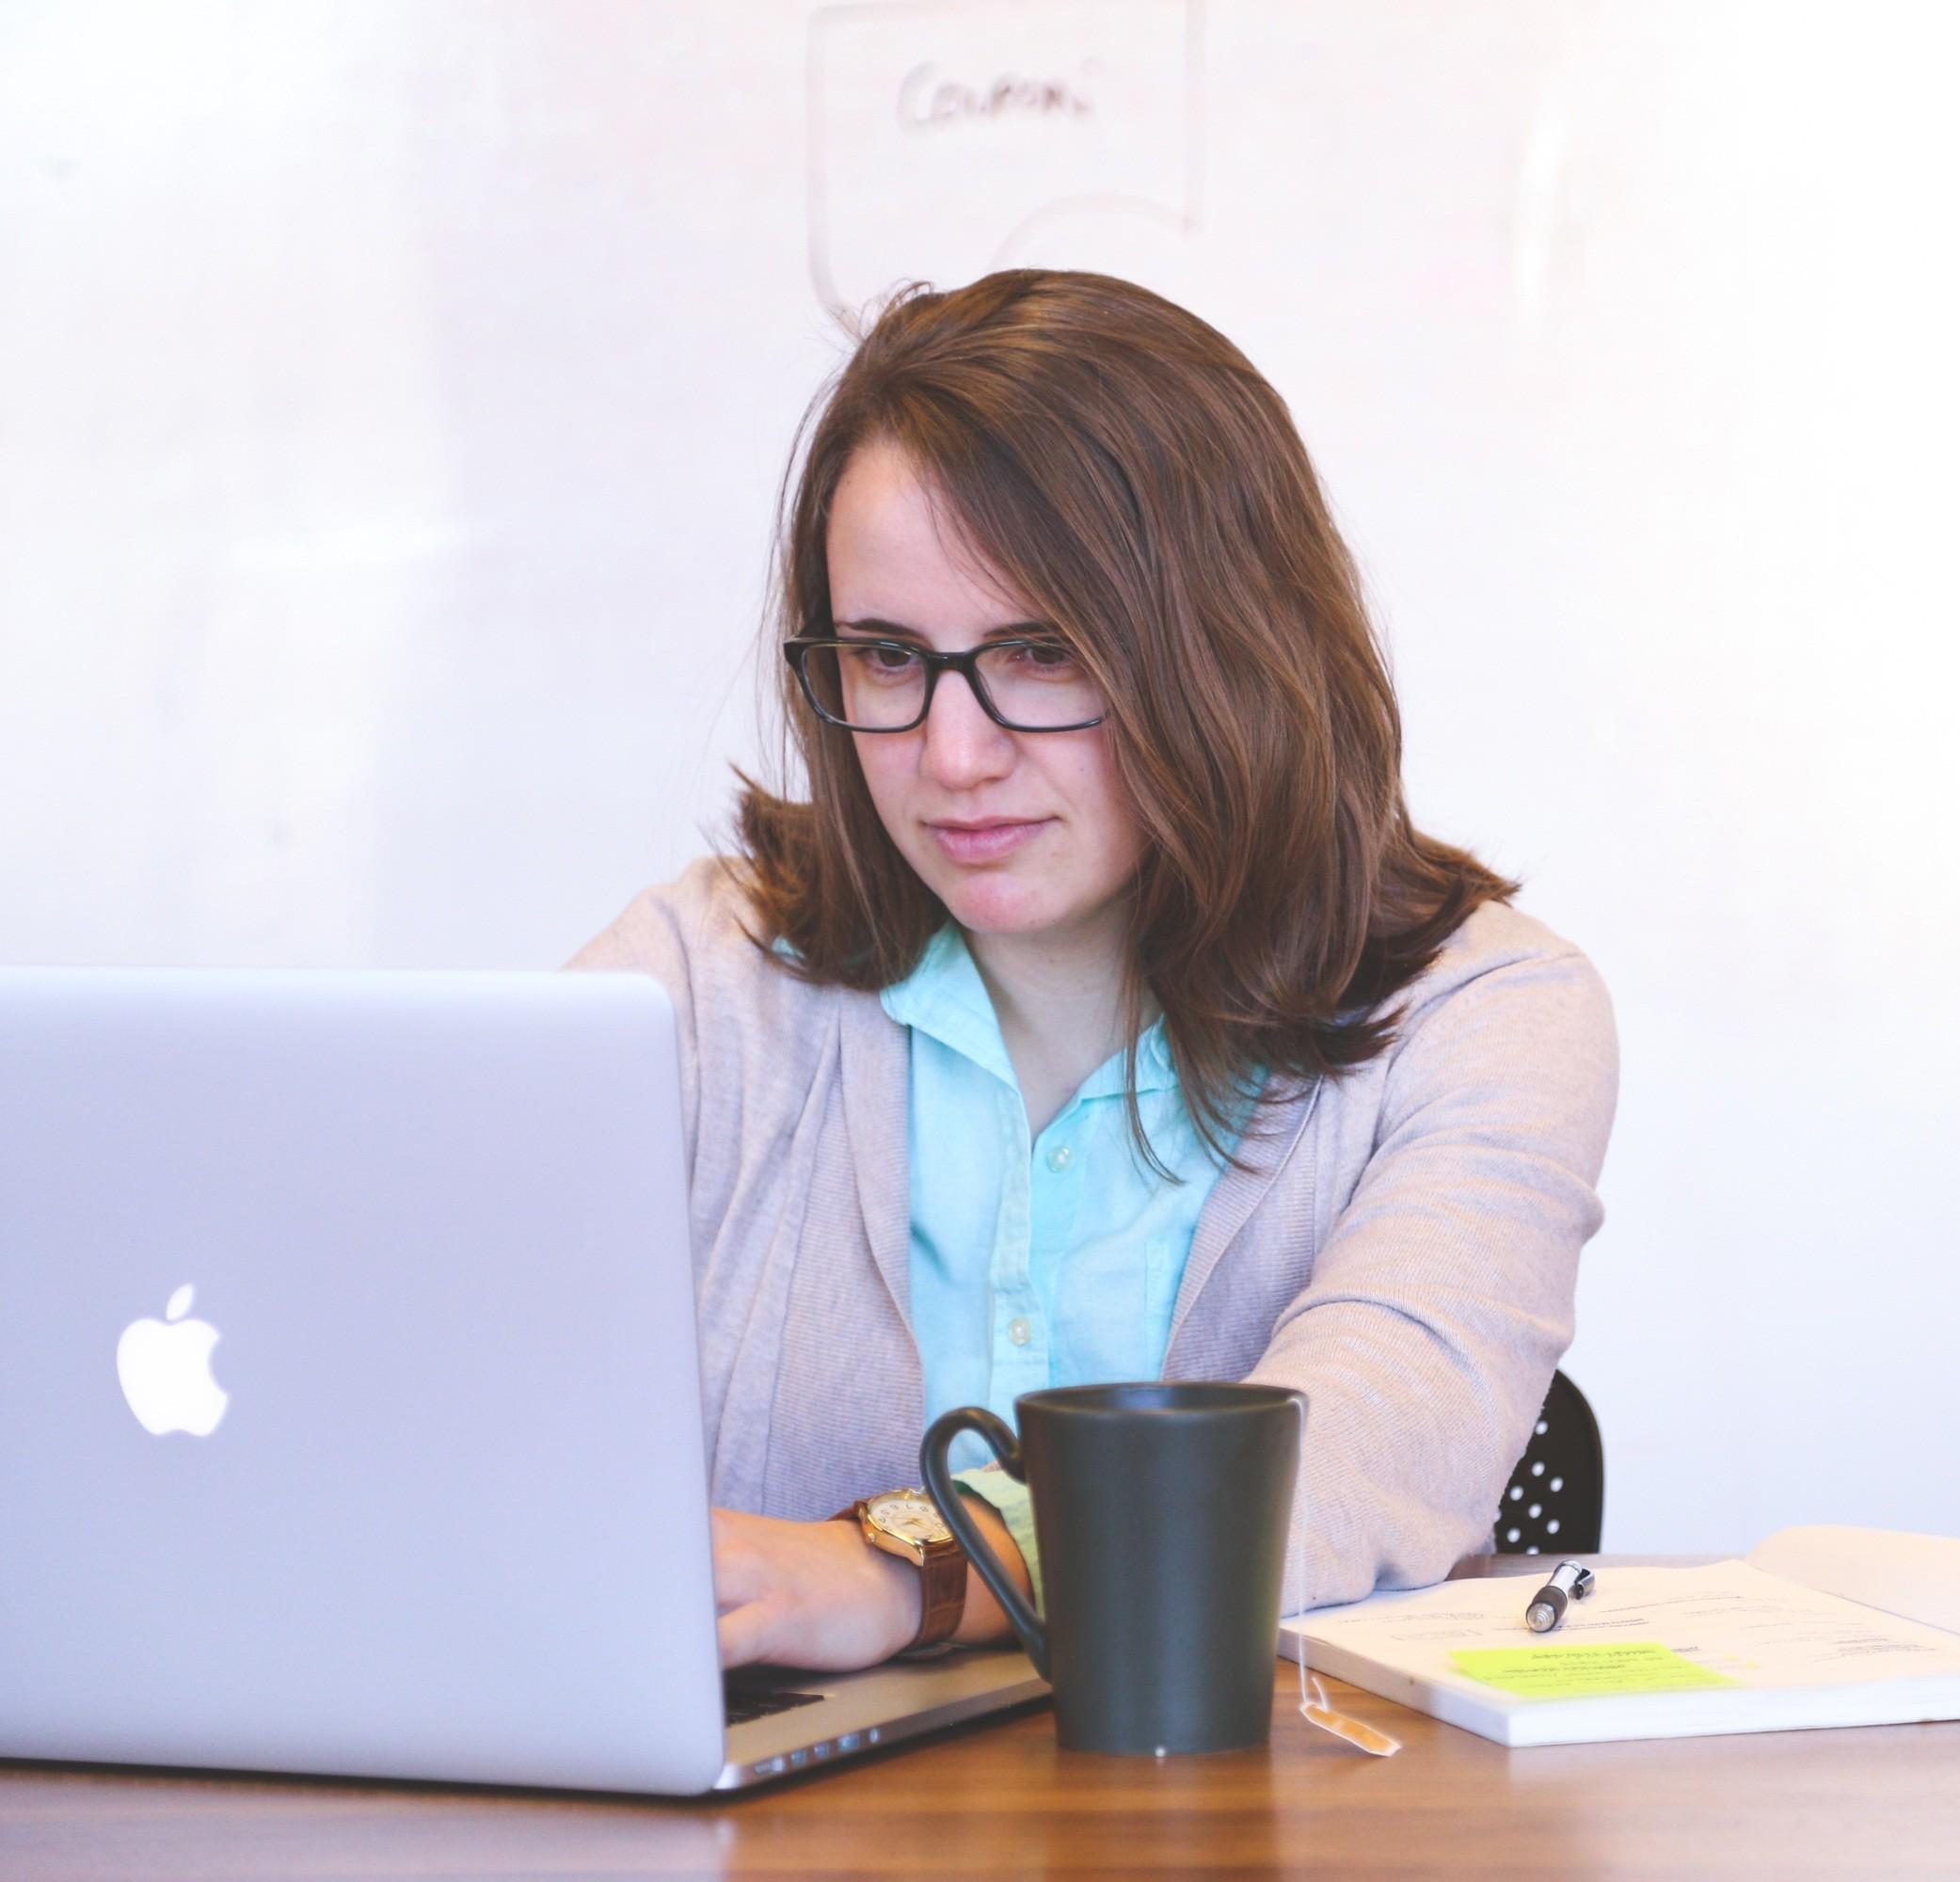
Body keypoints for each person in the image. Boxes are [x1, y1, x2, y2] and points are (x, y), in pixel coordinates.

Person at [566, 270, 1617, 1673]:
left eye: (1040, 652)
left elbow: (1367, 1444)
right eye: (888, 657)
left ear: (1225, 649)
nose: (951, 756)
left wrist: (910, 1573)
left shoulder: (1487, 1020)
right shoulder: (697, 984)